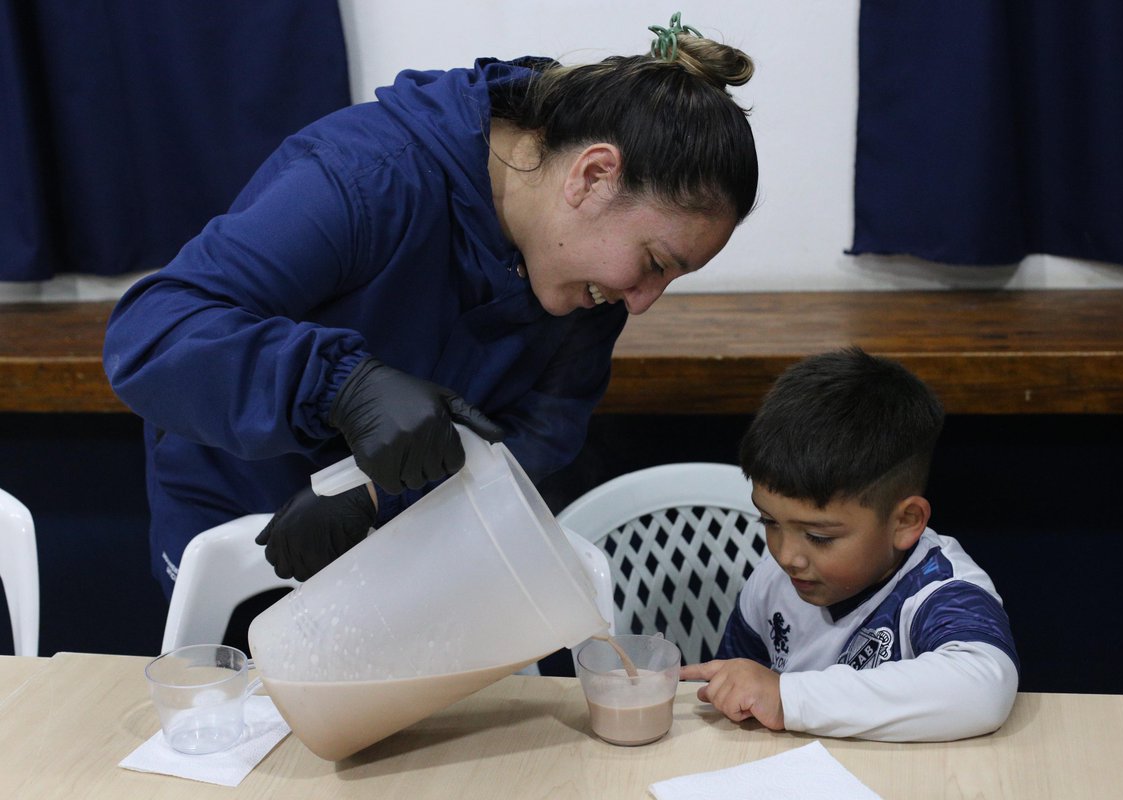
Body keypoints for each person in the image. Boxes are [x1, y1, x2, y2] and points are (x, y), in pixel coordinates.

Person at [103, 14, 758, 593]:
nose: (642, 302)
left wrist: (373, 492)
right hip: (244, 511)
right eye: (654, 263)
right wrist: (342, 386)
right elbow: (152, 334)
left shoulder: (586, 285)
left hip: (404, 545)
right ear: (592, 176)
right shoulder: (366, 177)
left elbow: (539, 432)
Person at [680, 348, 1019, 741]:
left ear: (905, 522)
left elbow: (982, 690)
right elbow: (738, 692)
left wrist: (787, 697)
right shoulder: (773, 581)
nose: (786, 556)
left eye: (819, 537)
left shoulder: (938, 589)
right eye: (769, 521)